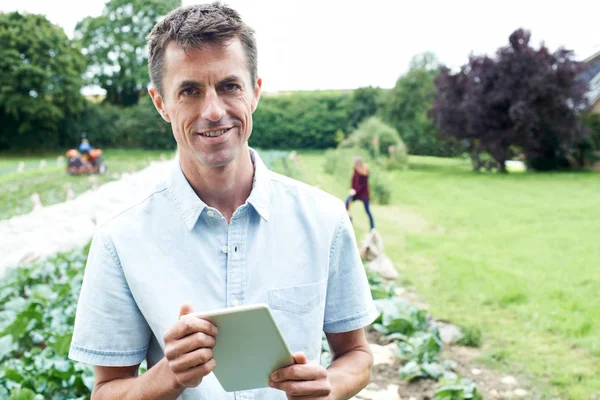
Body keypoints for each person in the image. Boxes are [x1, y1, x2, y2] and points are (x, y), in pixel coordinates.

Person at [68, 3, 377, 400]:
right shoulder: (120, 241)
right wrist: (170, 375)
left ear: (255, 92)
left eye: (229, 86)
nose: (213, 111)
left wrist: (330, 385)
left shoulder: (325, 219)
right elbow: (106, 392)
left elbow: (357, 354)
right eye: (189, 91)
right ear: (161, 103)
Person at [345, 156, 375, 230]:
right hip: (355, 192)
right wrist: (352, 189)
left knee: (367, 210)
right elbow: (353, 180)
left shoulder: (365, 171)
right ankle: (348, 221)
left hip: (363, 193)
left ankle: (372, 228)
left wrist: (355, 191)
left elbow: (363, 185)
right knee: (347, 203)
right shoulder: (355, 169)